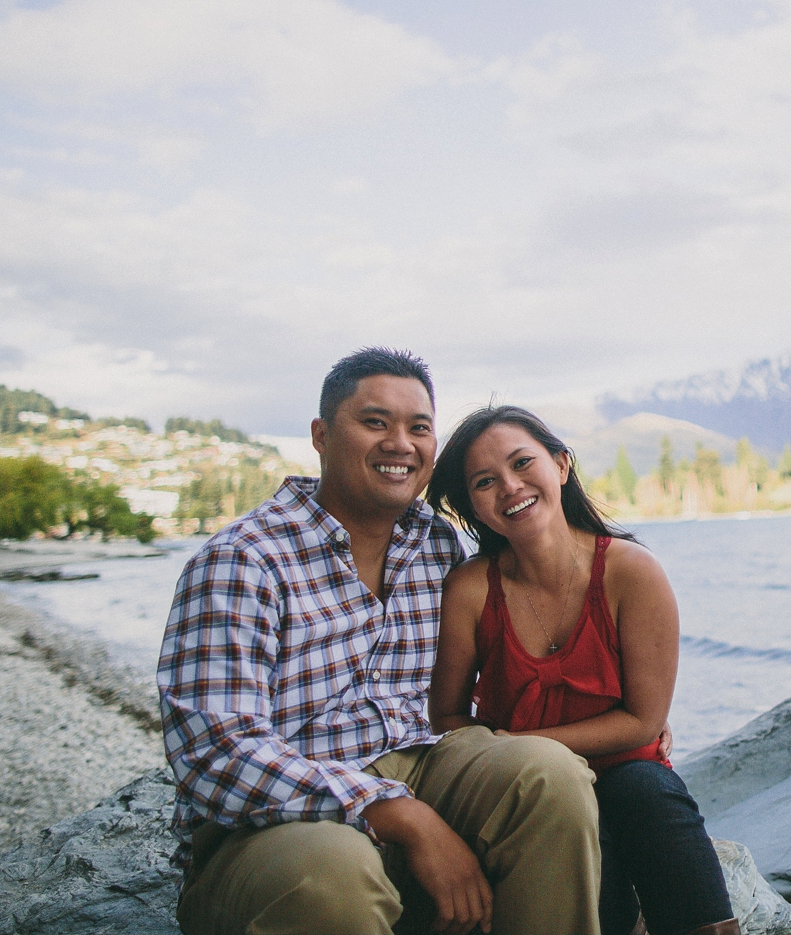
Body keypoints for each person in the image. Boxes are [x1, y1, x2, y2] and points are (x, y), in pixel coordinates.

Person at [157, 349, 603, 935]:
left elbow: (503, 667)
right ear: (320, 435)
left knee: (547, 775)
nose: (401, 443)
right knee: (331, 874)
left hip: (425, 765)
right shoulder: (243, 562)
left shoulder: (437, 546)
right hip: (273, 823)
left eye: (419, 428)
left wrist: (626, 714)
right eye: (375, 422)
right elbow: (214, 754)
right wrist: (399, 814)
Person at [426, 406, 738, 935]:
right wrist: (523, 760)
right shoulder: (471, 589)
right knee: (573, 814)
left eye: (523, 463)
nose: (510, 487)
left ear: (562, 465)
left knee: (646, 793)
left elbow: (642, 720)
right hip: (532, 790)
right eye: (485, 482)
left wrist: (519, 740)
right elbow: (447, 717)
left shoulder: (630, 572)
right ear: (471, 507)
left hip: (627, 772)